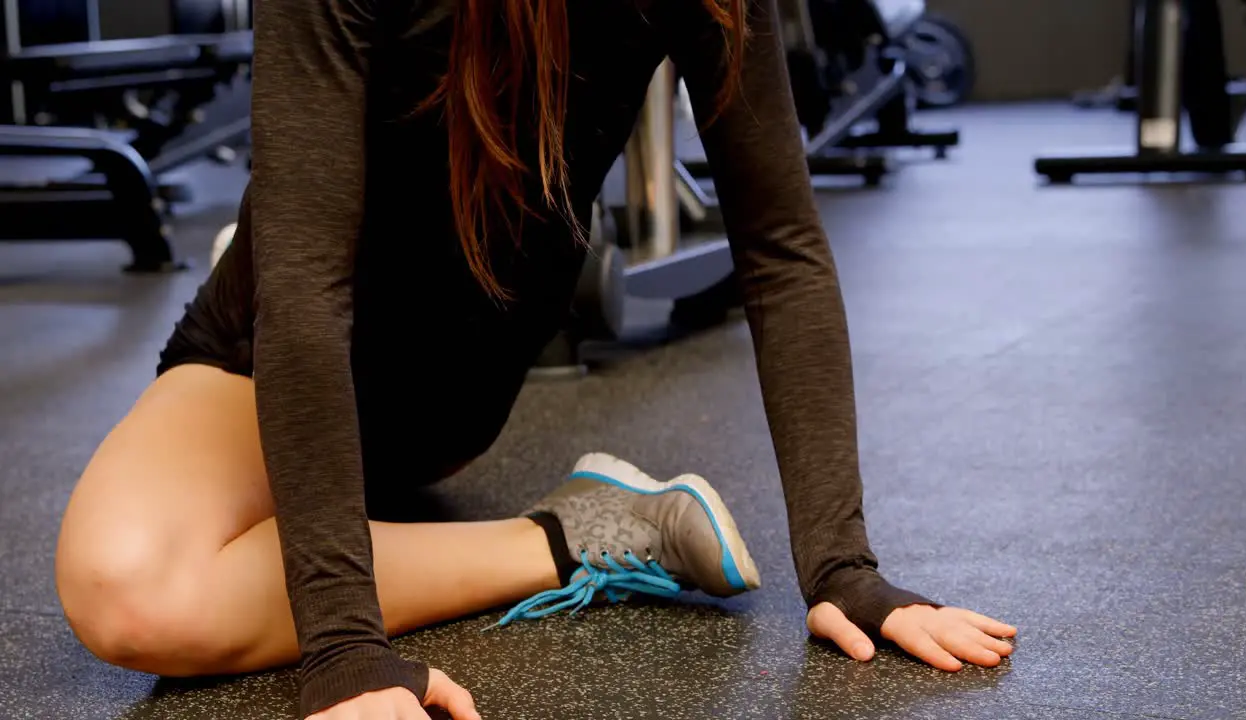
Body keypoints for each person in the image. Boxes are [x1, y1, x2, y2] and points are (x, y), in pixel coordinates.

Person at [53, 0, 1017, 718]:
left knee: (156, 583)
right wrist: (344, 648)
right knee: (125, 592)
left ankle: (370, 514)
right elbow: (305, 291)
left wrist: (844, 568)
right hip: (270, 353)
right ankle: (582, 532)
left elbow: (781, 247)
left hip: (449, 387)